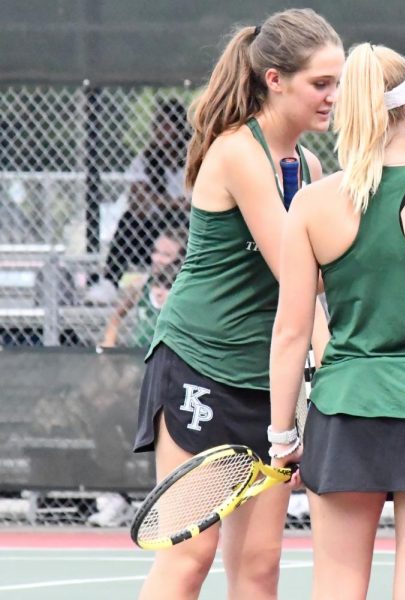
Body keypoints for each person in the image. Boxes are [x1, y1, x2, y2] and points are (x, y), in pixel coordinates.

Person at [268, 43, 405, 600]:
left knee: (338, 586)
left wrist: (283, 439)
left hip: (345, 413)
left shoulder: (313, 206)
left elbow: (292, 334)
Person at [132, 9, 341, 600]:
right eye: (320, 83)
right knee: (190, 552)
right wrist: (331, 362)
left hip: (264, 382)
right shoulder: (237, 152)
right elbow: (299, 275)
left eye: (338, 82)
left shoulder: (312, 168)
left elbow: (313, 294)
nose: (332, 97)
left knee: (258, 567)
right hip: (200, 365)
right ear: (275, 79)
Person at [85, 229, 185, 528]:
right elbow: (116, 318)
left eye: (166, 254)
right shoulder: (141, 288)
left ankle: (162, 500)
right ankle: (115, 498)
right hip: (135, 380)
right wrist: (108, 352)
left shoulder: (187, 286)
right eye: (155, 252)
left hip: (170, 380)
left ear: (180, 257)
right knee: (102, 412)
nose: (158, 259)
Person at [86, 98, 191, 304]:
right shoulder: (145, 160)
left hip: (183, 232)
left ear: (179, 129)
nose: (160, 131)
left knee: (180, 217)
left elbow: (196, 203)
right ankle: (109, 283)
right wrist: (174, 202)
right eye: (157, 125)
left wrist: (160, 201)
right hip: (151, 233)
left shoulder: (194, 158)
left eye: (167, 125)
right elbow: (137, 202)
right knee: (129, 220)